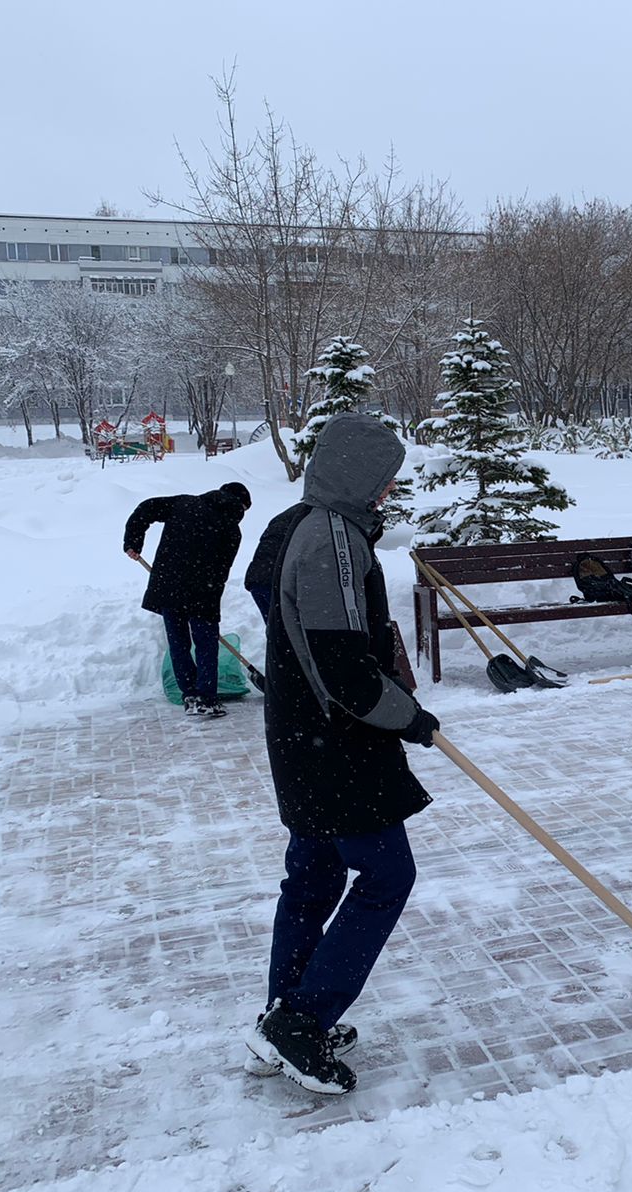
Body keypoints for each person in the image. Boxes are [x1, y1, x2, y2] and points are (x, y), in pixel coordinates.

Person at [244, 413, 440, 1096]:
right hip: (337, 745)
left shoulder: (295, 523)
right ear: (359, 474)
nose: (389, 489)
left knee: (313, 880)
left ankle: (284, 1015)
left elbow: (272, 601)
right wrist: (406, 715)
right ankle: (300, 1021)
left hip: (304, 737)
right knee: (386, 876)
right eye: (385, 477)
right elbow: (343, 665)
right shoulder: (330, 538)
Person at [122, 481, 252, 717]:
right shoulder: (232, 530)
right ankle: (207, 699)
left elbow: (146, 508)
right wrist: (211, 599)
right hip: (203, 592)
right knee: (206, 645)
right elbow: (223, 569)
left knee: (179, 643)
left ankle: (190, 695)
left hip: (168, 587)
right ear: (240, 505)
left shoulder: (184, 503)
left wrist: (133, 541)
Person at [242, 500, 307, 619]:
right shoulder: (308, 517)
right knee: (288, 632)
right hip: (274, 581)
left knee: (275, 631)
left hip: (257, 578)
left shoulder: (285, 516)